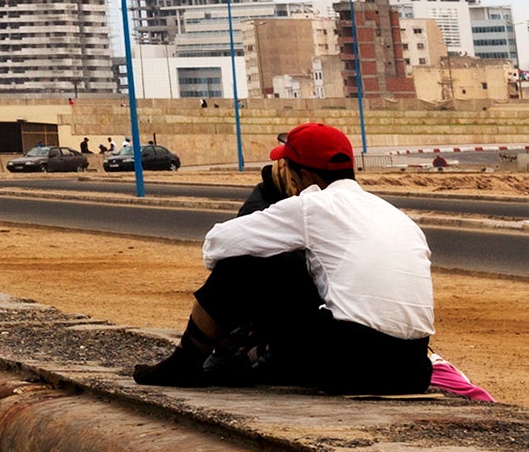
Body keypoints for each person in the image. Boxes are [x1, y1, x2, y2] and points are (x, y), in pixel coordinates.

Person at [133, 123, 433, 394]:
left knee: (243, 261)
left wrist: (253, 290)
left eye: (287, 170)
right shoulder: (397, 216)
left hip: (352, 368)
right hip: (413, 371)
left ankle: (185, 364)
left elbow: (217, 243)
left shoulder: (312, 204)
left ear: (303, 175)